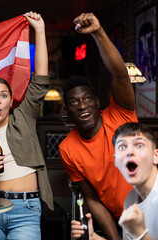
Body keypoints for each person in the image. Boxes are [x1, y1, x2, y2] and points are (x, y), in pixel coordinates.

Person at [0, 11, 53, 239]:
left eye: (3, 95)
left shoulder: (23, 117)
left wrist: (40, 30)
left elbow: (40, 81)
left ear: (11, 100)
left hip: (26, 210)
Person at [59, 13, 138, 240]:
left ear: (97, 102)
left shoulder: (120, 114)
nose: (82, 105)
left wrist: (98, 32)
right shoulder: (68, 149)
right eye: (73, 102)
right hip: (123, 221)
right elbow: (92, 199)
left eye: (86, 99)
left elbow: (120, 74)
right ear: (68, 112)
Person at [71, 122, 158, 240]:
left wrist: (140, 233)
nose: (129, 152)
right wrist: (93, 237)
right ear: (116, 161)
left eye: (139, 145)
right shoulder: (131, 199)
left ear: (155, 156)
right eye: (122, 147)